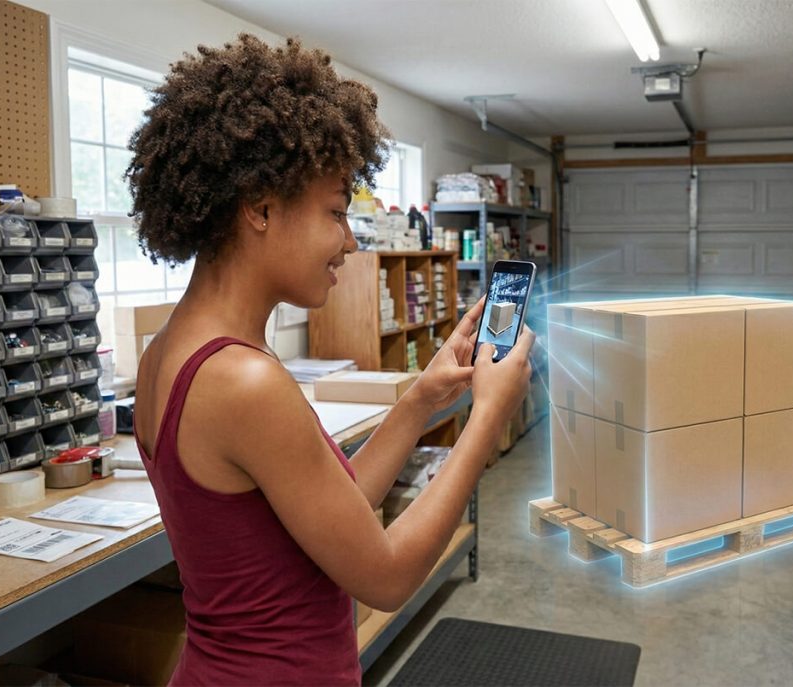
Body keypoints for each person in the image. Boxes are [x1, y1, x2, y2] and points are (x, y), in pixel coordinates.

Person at [126, 34, 532, 686]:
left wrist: (423, 399)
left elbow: (330, 512)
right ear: (259, 205)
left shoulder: (169, 354)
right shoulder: (244, 381)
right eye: (337, 212)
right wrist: (488, 416)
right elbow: (388, 573)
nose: (348, 239)